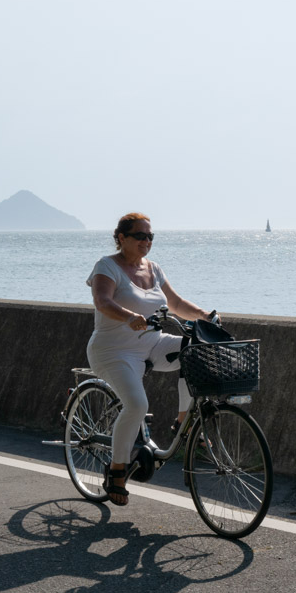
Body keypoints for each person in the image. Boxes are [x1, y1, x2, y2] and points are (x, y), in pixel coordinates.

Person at [86, 212, 215, 505]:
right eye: (140, 236)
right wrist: (129, 316)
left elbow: (177, 303)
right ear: (121, 238)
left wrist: (205, 316)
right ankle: (117, 470)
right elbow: (102, 301)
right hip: (113, 351)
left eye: (150, 236)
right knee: (137, 405)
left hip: (151, 344)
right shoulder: (107, 266)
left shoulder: (154, 269)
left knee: (193, 351)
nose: (146, 241)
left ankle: (183, 418)